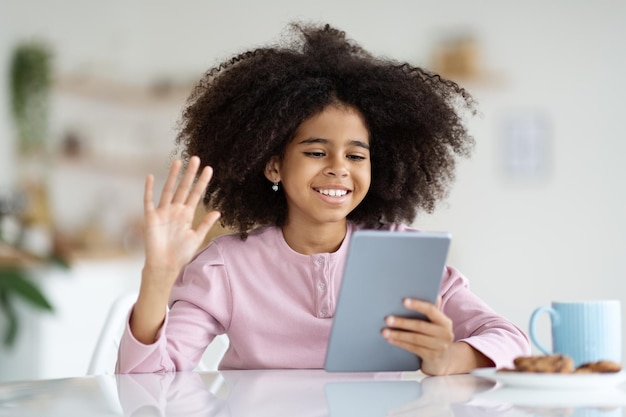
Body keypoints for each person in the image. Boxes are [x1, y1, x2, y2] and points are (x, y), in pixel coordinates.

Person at [116, 22, 530, 376]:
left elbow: (514, 342)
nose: (339, 167)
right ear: (273, 165)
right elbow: (147, 381)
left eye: (356, 155)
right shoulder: (226, 266)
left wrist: (448, 356)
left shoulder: (402, 254)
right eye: (316, 152)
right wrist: (157, 276)